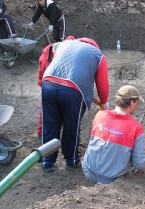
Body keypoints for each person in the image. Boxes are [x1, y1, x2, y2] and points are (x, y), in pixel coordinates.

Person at [41, 37, 109, 172]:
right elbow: (102, 85)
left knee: (50, 124)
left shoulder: (64, 44)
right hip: (73, 89)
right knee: (71, 125)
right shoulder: (98, 55)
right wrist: (105, 104)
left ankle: (47, 161)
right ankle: (71, 160)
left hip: (48, 83)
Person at [82, 85, 145, 184]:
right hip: (110, 179)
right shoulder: (136, 128)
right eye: (137, 102)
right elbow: (140, 163)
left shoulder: (100, 115)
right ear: (132, 103)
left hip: (87, 169)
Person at [36, 36, 75, 137]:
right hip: (49, 85)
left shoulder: (62, 48)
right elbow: (42, 75)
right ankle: (41, 130)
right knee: (46, 109)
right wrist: (42, 85)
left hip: (57, 84)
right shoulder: (45, 59)